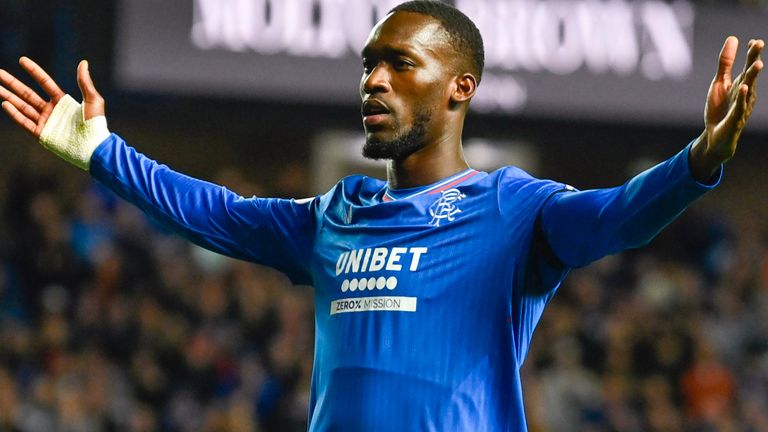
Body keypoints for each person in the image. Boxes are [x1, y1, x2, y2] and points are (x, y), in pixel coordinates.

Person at [0, 1, 763, 430]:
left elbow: (621, 216)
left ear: (459, 88)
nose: (374, 79)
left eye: (401, 63)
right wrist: (101, 151)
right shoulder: (333, 216)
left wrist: (698, 161)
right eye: (369, 62)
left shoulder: (513, 209)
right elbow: (215, 213)